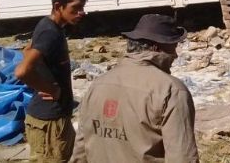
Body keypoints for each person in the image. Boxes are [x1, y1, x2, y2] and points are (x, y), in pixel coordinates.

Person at [70, 14, 199, 163]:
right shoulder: (171, 90)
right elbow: (182, 157)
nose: (176, 55)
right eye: (173, 47)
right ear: (157, 47)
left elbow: (81, 148)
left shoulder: (98, 85)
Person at [15, 0, 89, 163]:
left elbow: (27, 51)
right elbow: (22, 71)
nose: (82, 13)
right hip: (50, 121)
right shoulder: (50, 33)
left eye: (83, 7)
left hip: (54, 117)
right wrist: (50, 88)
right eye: (76, 7)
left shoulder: (49, 26)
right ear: (58, 6)